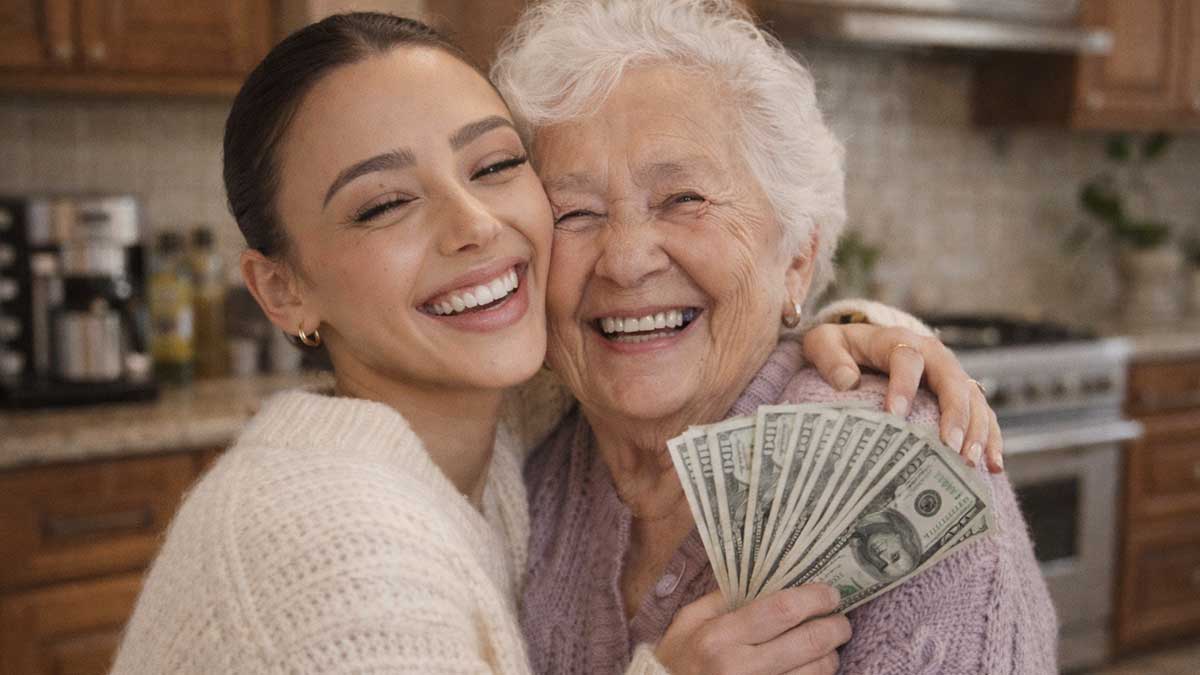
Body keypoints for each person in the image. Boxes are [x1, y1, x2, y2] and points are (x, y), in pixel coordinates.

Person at [111, 11, 1004, 675]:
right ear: (282, 288)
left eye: (495, 166)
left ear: (801, 250)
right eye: (383, 203)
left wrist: (865, 330)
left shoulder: (512, 430)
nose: (475, 228)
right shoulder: (347, 555)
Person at [492, 1, 1057, 673]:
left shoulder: (898, 464)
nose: (625, 258)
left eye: (684, 200)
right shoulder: (520, 471)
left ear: (797, 257)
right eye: (573, 213)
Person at [849, 509, 922, 581]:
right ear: (900, 537)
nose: (881, 556)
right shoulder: (881, 510)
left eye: (883, 565)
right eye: (894, 556)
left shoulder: (854, 537)